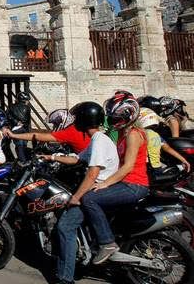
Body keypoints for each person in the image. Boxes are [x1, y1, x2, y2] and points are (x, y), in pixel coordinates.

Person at [46, 101, 119, 284]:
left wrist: (76, 197)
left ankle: (65, 277)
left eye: (77, 118)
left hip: (96, 190)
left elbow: (93, 173)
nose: (74, 122)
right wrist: (52, 157)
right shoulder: (98, 139)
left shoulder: (99, 141)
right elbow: (77, 159)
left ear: (84, 120)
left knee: (65, 227)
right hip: (99, 189)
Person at [81, 91, 149, 264]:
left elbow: (128, 166)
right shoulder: (122, 133)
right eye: (110, 119)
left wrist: (104, 183)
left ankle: (107, 243)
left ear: (129, 116)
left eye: (115, 119)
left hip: (134, 184)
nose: (112, 123)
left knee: (89, 198)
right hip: (126, 182)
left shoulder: (134, 134)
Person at [4, 108, 91, 154]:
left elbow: (37, 136)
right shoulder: (85, 129)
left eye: (56, 123)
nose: (55, 126)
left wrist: (14, 135)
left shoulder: (71, 131)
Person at [136, 107, 190, 176]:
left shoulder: (139, 135)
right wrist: (184, 160)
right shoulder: (156, 135)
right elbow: (167, 148)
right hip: (157, 167)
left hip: (145, 167)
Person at [6, 92, 32, 161]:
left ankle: (22, 160)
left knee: (19, 145)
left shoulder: (11, 107)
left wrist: (16, 122)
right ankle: (24, 161)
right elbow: (27, 121)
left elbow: (7, 117)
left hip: (15, 129)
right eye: (27, 100)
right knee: (23, 145)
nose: (28, 102)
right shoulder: (27, 108)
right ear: (24, 100)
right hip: (24, 129)